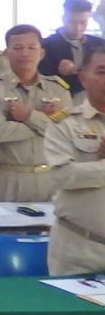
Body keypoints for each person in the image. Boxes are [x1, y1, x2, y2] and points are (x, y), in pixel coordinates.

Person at [0, 25, 70, 204]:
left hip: (48, 178)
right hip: (8, 178)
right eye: (18, 48)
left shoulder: (57, 88)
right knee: (5, 230)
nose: (25, 53)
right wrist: (45, 122)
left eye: (31, 47)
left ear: (41, 53)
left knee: (50, 231)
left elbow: (66, 132)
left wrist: (29, 116)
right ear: (6, 54)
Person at [45, 43, 105, 276]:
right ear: (83, 78)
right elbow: (64, 176)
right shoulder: (65, 123)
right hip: (79, 249)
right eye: (101, 72)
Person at [43, 0, 103, 94]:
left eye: (83, 23)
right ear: (63, 19)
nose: (78, 28)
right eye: (72, 22)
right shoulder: (47, 45)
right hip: (60, 101)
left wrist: (76, 70)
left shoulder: (99, 44)